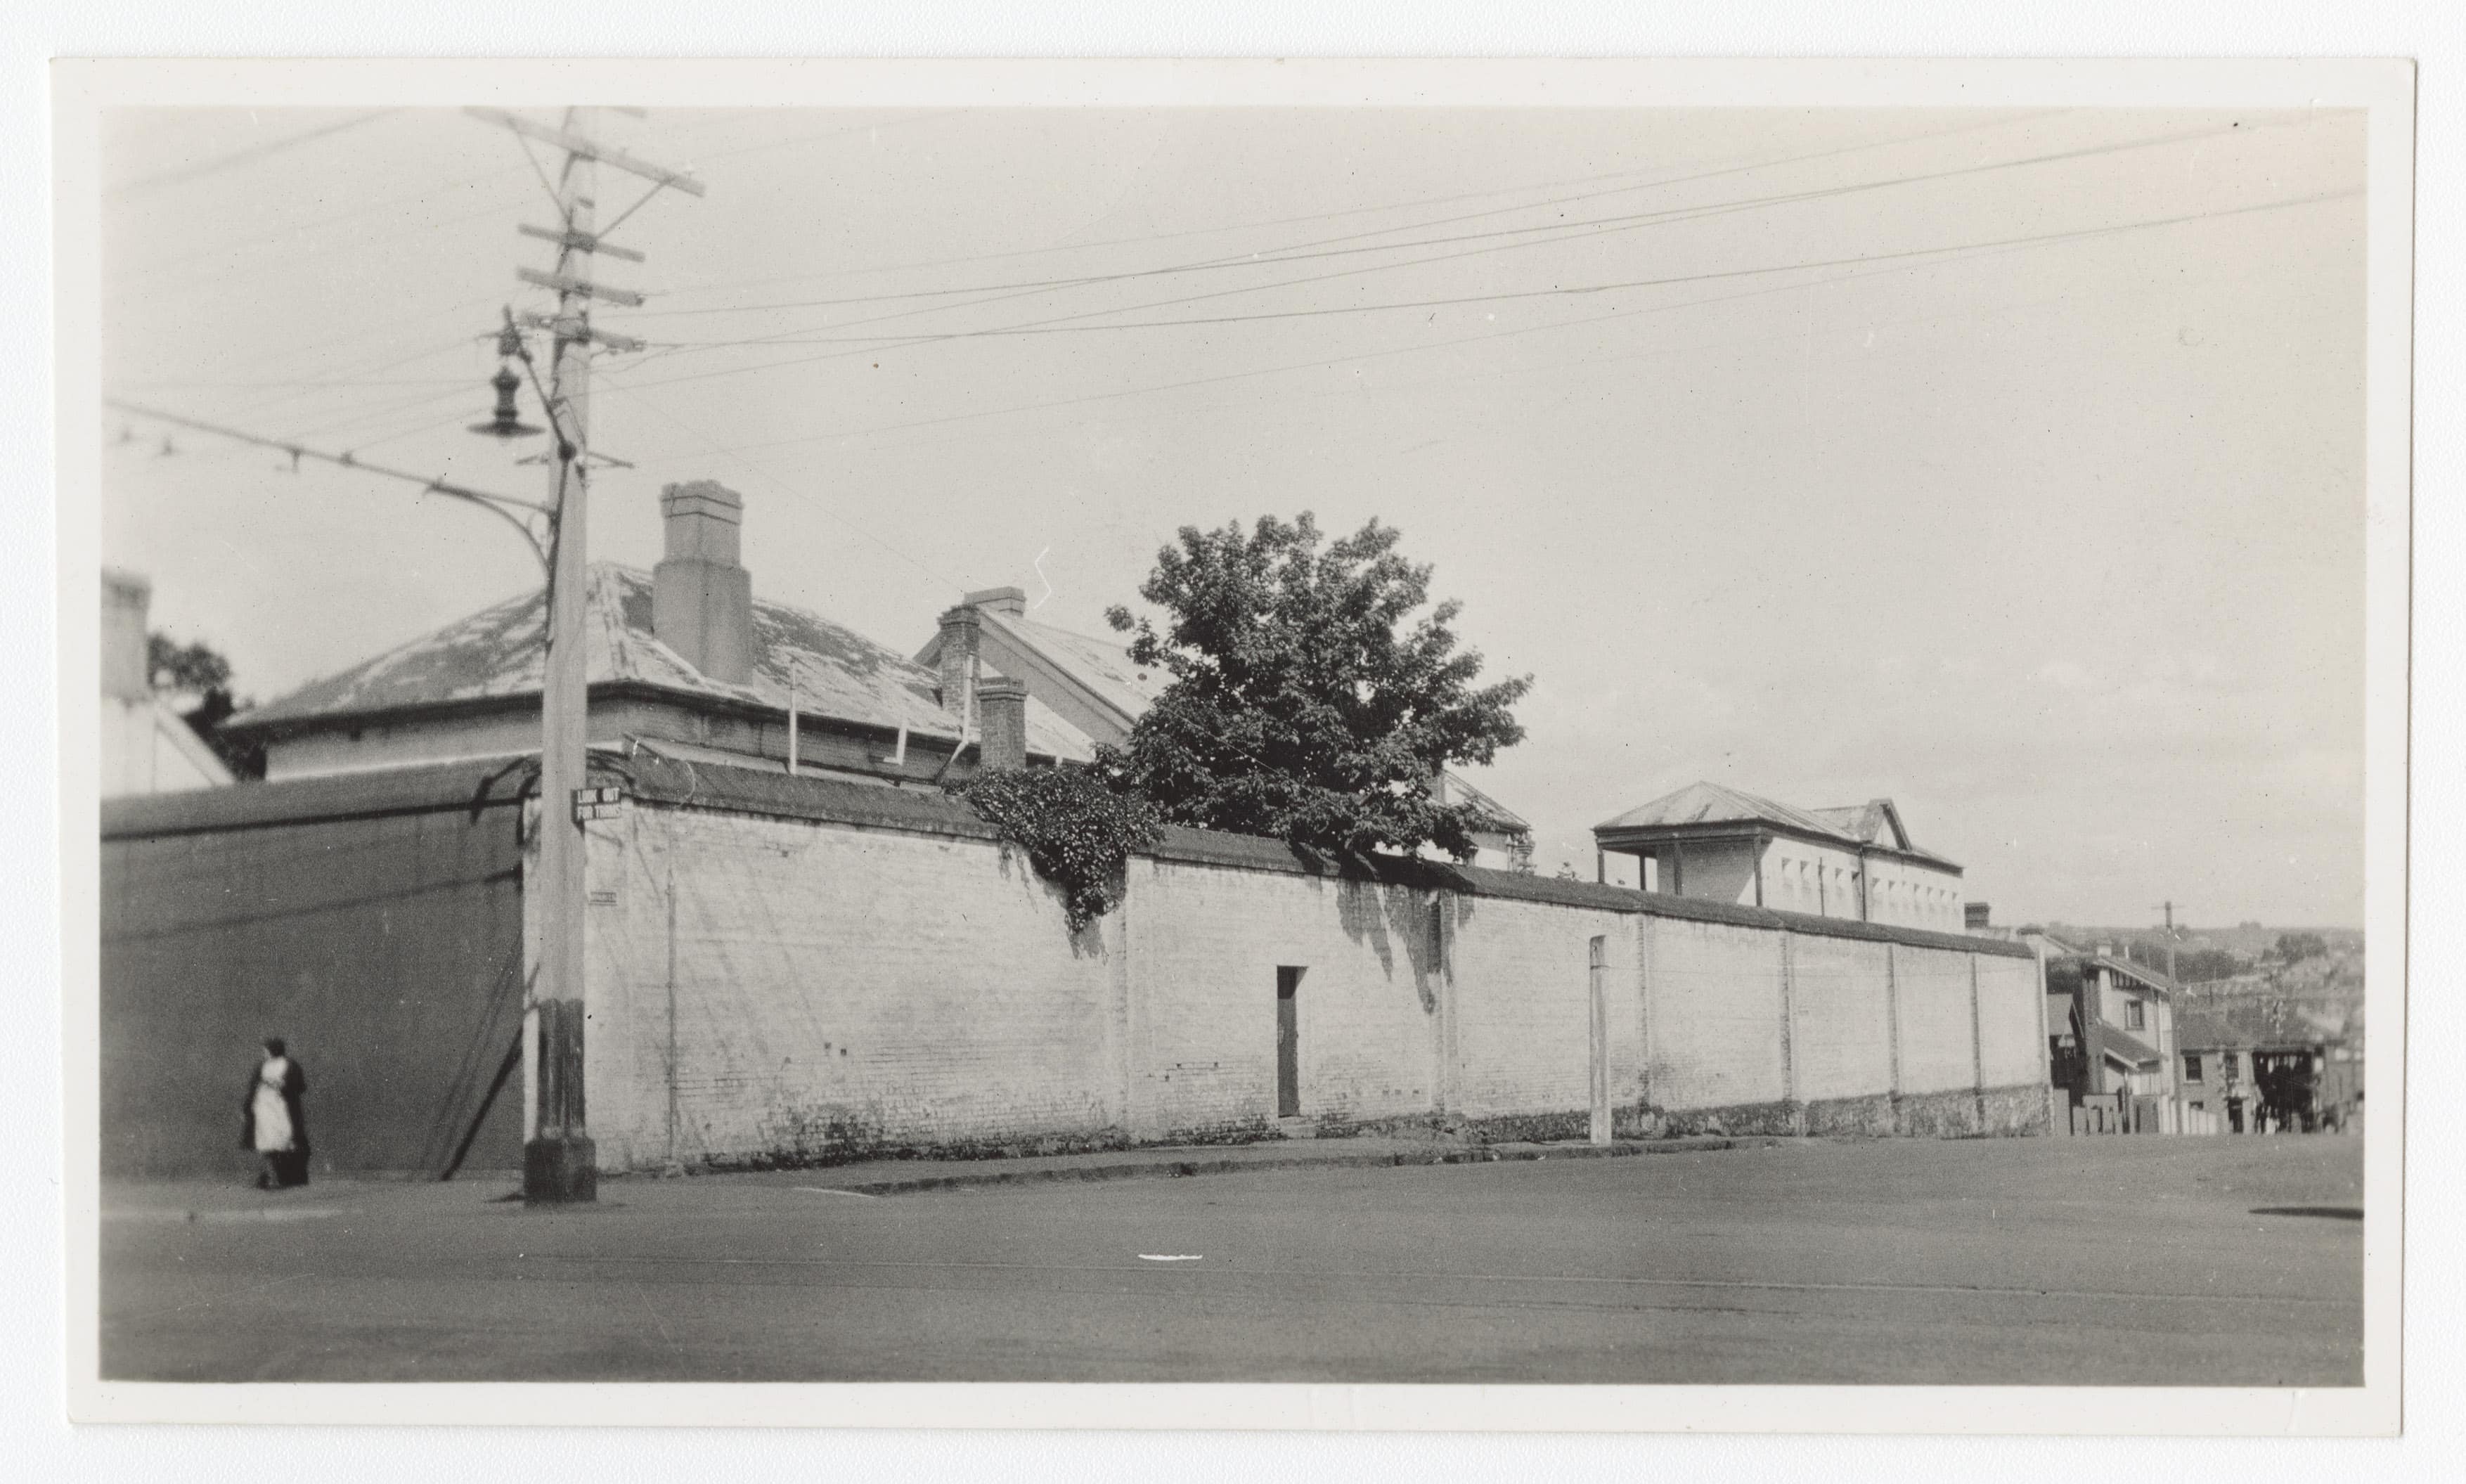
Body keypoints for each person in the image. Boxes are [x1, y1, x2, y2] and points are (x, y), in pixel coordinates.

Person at [240, 1038, 311, 1189]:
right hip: (263, 1108)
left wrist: (281, 1085)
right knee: (265, 1142)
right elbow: (253, 1087)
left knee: (282, 1141)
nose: (264, 1053)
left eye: (266, 1050)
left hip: (281, 1108)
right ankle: (267, 1176)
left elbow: (300, 1086)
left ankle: (282, 1177)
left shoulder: (290, 1065)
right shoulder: (262, 1066)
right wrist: (248, 1107)